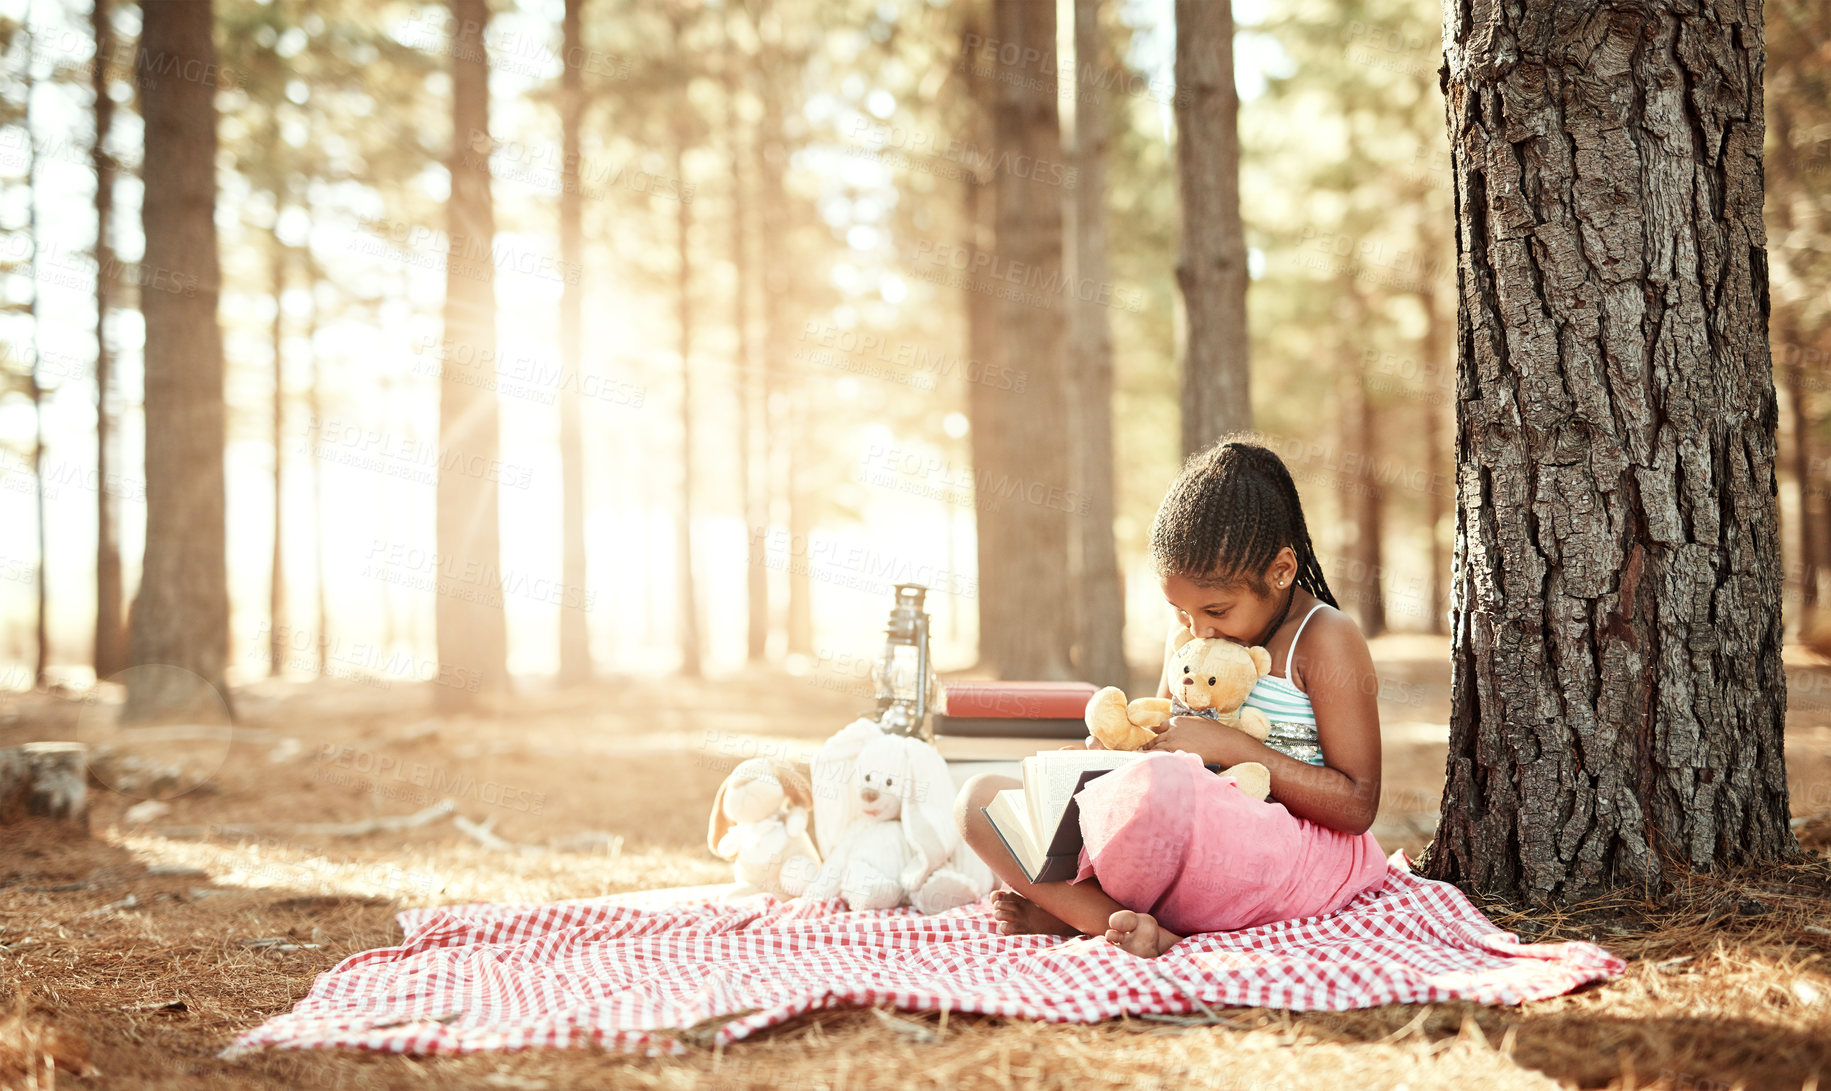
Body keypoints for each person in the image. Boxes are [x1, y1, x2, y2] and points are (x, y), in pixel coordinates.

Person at [952, 437, 1388, 958]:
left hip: (1283, 856)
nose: (1198, 628)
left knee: (1163, 784)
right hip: (1173, 845)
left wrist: (1229, 746)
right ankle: (1118, 923)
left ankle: (1077, 912)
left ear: (1281, 571)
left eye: (1217, 611)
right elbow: (1154, 749)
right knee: (980, 800)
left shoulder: (1324, 638)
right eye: (1181, 612)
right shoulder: (1187, 638)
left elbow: (1357, 804)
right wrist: (1100, 766)